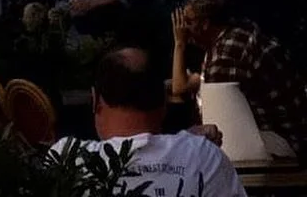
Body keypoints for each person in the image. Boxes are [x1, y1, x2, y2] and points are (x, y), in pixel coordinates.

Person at [47, 46, 246, 196]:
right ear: (164, 101)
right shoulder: (204, 157)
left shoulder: (67, 158)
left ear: (96, 101)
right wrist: (188, 142)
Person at [172, 0, 307, 158]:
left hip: (281, 143)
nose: (182, 29)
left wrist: (180, 44)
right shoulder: (236, 37)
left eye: (188, 22)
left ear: (205, 24)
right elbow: (182, 86)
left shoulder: (226, 55)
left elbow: (218, 121)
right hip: (290, 136)